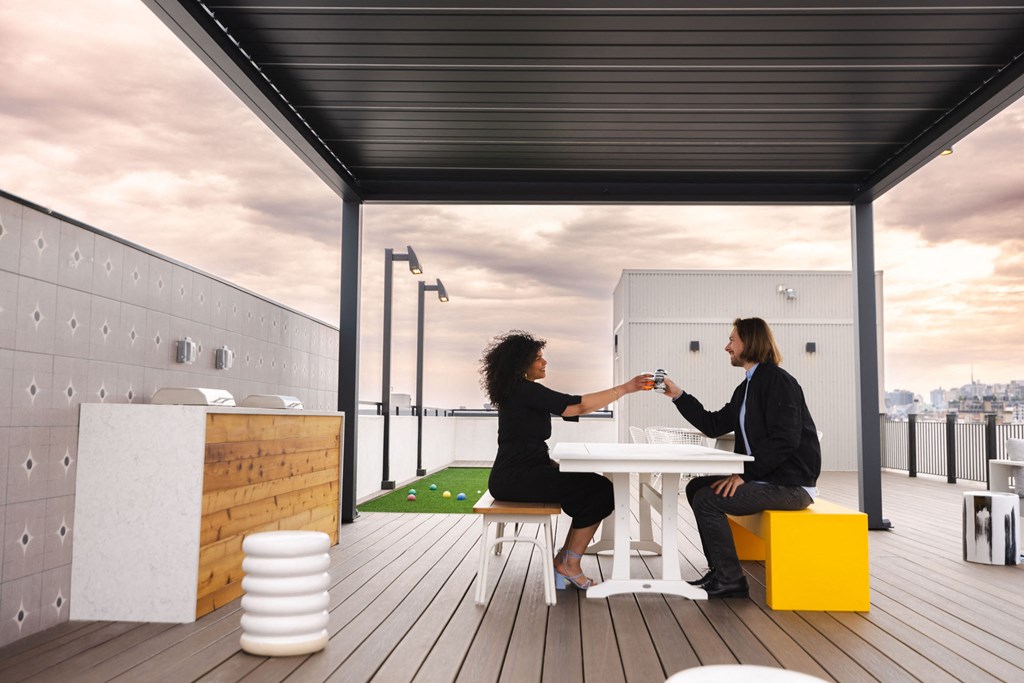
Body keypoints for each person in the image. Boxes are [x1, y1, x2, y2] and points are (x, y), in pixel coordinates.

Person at [660, 317, 820, 598]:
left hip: (791, 487)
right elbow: (713, 425)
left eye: (732, 340)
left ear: (750, 341)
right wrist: (678, 396)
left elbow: (786, 439)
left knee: (708, 499)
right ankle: (719, 571)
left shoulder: (779, 382)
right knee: (696, 487)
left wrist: (745, 475)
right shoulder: (746, 387)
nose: (727, 347)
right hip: (768, 480)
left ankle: (731, 580)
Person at [480, 330, 652, 590]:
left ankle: (566, 559)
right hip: (516, 479)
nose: (544, 362)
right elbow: (577, 406)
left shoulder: (518, 391)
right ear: (521, 364)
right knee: (601, 490)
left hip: (518, 475)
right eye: (538, 358)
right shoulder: (524, 390)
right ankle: (569, 563)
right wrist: (626, 388)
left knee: (596, 487)